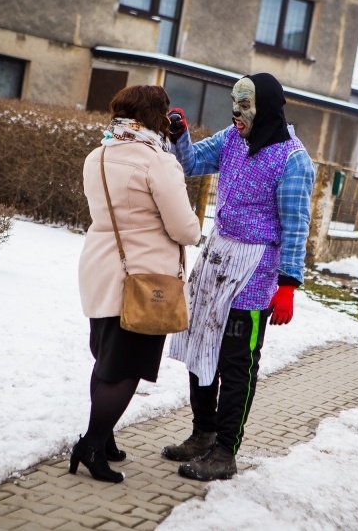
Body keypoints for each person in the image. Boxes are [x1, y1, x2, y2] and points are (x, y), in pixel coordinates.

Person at [161, 73, 315, 481]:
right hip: (216, 260)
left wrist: (287, 286)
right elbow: (191, 163)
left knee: (236, 364)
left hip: (254, 274)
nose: (237, 111)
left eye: (245, 104)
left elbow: (296, 226)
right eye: (234, 102)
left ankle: (225, 452)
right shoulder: (232, 138)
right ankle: (202, 433)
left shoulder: (292, 159)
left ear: (267, 107)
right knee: (200, 349)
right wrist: (180, 135)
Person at [73, 85, 201, 483]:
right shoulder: (157, 162)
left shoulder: (98, 154)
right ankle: (91, 445)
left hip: (100, 267)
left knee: (106, 360)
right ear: (157, 118)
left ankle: (105, 437)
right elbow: (186, 229)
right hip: (144, 279)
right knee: (125, 367)